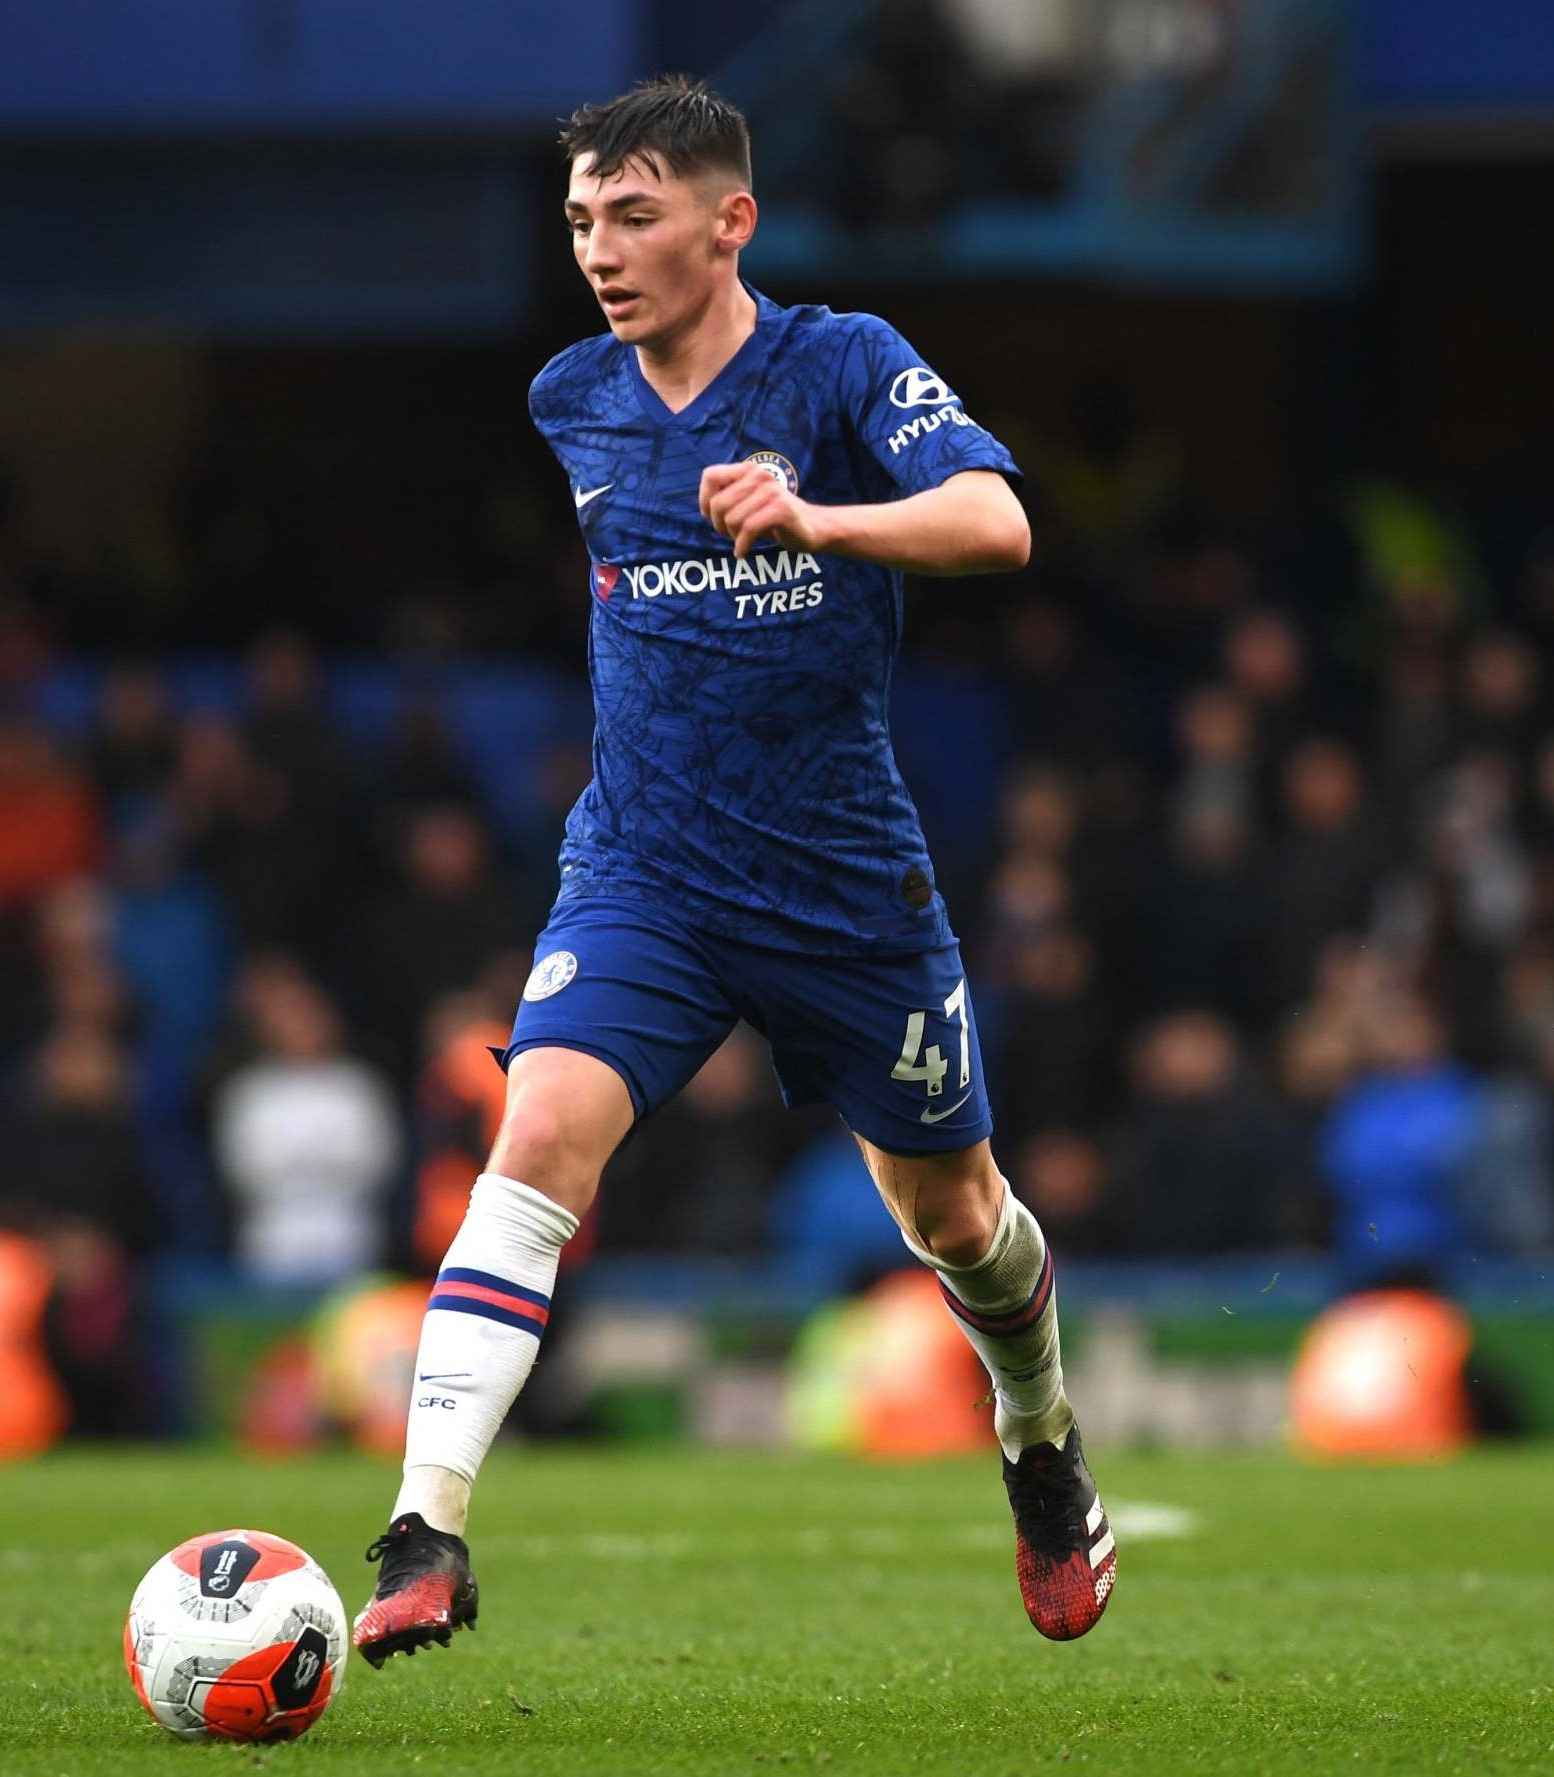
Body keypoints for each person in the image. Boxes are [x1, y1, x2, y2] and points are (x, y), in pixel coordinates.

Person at [354, 74, 1112, 1664]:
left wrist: (819, 520)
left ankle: (1039, 1445)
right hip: (646, 871)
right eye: (580, 221)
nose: (601, 252)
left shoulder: (840, 364)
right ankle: (425, 1529)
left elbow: (996, 523)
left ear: (728, 219)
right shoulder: (574, 395)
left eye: (633, 216)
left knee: (956, 1217)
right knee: (537, 1132)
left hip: (843, 884)